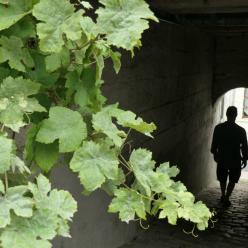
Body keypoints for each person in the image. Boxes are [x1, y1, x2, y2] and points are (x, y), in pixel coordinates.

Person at [211, 106, 248, 207]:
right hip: (235, 158)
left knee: (222, 177)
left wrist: (215, 153)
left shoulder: (218, 128)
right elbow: (244, 146)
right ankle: (227, 196)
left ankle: (223, 194)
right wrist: (245, 158)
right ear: (236, 115)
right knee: (233, 179)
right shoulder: (241, 130)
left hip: (222, 157)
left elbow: (214, 143)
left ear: (226, 114)